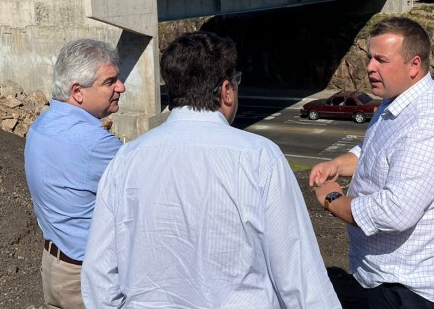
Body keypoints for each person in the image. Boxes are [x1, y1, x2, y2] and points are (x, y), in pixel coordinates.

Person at [82, 31, 340, 309]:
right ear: (227, 90)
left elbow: (100, 275)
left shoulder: (126, 159)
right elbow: (300, 276)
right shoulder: (259, 157)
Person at [309, 17, 434, 308]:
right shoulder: (396, 99)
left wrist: (333, 199)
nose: (370, 67)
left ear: (414, 65)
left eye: (381, 60)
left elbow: (395, 211)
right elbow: (376, 150)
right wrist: (339, 164)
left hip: (407, 288)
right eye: (370, 57)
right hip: (386, 275)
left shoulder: (429, 125)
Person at [25, 38, 126, 309]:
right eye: (109, 82)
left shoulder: (40, 126)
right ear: (77, 91)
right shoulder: (96, 144)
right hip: (86, 277)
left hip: (53, 266)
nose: (121, 87)